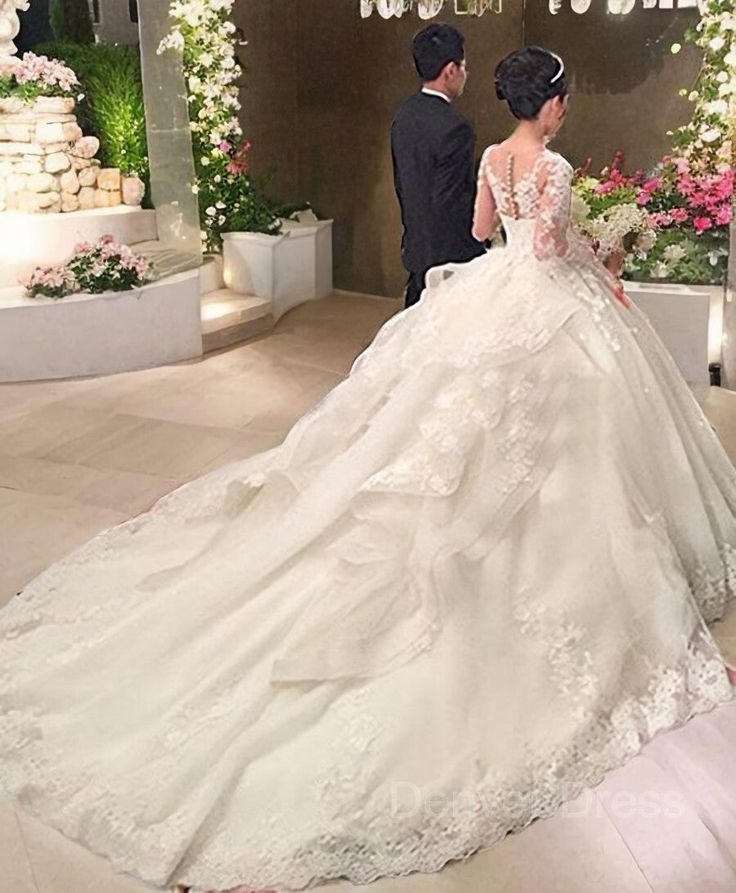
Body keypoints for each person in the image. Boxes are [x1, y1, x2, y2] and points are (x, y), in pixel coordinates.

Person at [1, 47, 735, 893]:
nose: (565, 109)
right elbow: (554, 250)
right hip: (548, 302)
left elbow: (480, 233)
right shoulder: (559, 165)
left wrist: (546, 232)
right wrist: (606, 264)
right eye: (564, 97)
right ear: (556, 103)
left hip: (487, 295)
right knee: (560, 436)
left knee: (444, 423)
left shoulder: (497, 154)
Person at [391, 23, 485, 308]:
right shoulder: (456, 128)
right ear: (450, 70)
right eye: (464, 66)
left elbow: (403, 185)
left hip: (416, 247)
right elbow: (452, 202)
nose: (465, 74)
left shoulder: (403, 115)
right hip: (448, 259)